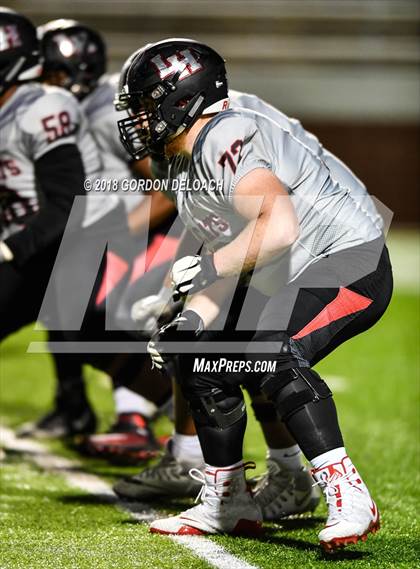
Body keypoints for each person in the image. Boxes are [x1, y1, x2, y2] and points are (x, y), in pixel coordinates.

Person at [118, 38, 393, 551]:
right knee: (198, 353)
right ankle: (228, 501)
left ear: (183, 98)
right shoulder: (178, 162)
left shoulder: (227, 133)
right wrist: (192, 320)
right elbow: (235, 253)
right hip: (287, 270)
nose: (136, 117)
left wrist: (203, 269)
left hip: (350, 261)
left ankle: (347, 494)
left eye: (146, 103)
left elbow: (279, 226)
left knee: (268, 347)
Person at [19, 20, 177, 456]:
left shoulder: (107, 112)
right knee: (67, 309)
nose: (37, 81)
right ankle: (76, 406)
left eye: (46, 72)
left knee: (110, 318)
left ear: (71, 73)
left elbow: (165, 188)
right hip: (113, 230)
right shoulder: (75, 108)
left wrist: (115, 237)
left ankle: (145, 419)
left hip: (144, 233)